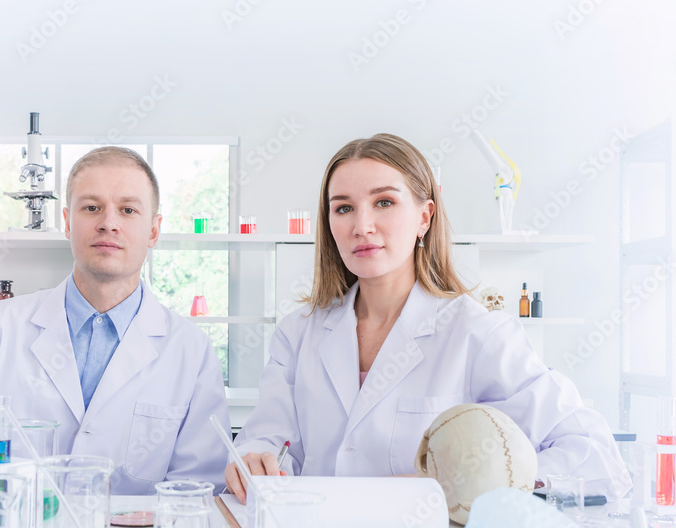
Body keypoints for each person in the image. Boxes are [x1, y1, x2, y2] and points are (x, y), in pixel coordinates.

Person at [226, 133, 631, 503]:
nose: (361, 226)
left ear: (425, 217)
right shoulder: (298, 333)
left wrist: (473, 481)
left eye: (384, 202)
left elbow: (596, 457)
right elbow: (266, 440)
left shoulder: (478, 333)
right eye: (344, 208)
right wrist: (253, 459)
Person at [0, 146, 231, 494]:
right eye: (92, 207)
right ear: (68, 223)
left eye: (128, 210)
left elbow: (196, 488)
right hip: (15, 527)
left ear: (153, 231)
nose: (108, 223)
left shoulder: (191, 350)